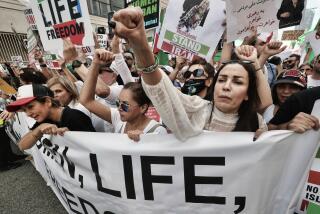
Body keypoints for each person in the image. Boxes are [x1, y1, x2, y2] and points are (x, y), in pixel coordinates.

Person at [109, 7, 271, 141]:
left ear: (248, 94)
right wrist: (140, 43)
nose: (226, 86)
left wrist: (270, 140)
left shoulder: (256, 122)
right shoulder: (197, 109)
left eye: (237, 82)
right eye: (221, 79)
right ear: (214, 84)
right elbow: (161, 90)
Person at [79, 49, 167, 141]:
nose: (119, 108)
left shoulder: (158, 131)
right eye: (118, 103)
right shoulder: (118, 118)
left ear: (143, 108)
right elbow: (86, 101)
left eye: (125, 105)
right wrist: (95, 63)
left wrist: (146, 140)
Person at [6, 84, 96, 150]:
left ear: (48, 102)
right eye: (24, 110)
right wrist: (38, 130)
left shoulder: (74, 116)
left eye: (30, 107)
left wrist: (70, 137)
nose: (28, 114)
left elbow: (97, 148)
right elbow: (22, 146)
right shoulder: (45, 120)